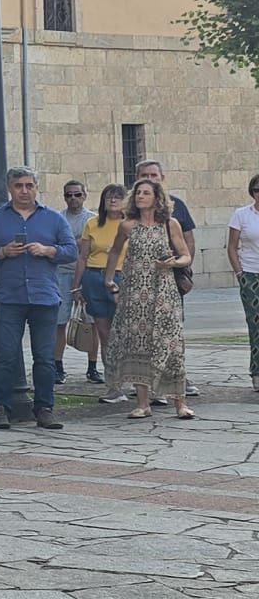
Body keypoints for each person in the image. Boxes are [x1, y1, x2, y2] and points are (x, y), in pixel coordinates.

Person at [0, 166, 76, 431]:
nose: (24, 191)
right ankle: (0, 407)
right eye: (19, 186)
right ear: (10, 188)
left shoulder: (53, 219)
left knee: (44, 357)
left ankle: (44, 408)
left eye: (29, 185)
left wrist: (48, 250)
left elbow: (71, 251)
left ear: (36, 187)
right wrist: (2, 252)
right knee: (5, 355)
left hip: (44, 296)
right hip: (10, 296)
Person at [107, 178, 191, 421]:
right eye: (138, 193)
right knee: (138, 344)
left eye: (146, 193)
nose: (140, 196)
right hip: (134, 294)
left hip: (163, 292)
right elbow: (114, 251)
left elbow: (185, 255)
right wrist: (109, 279)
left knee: (170, 344)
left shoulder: (169, 224)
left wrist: (173, 262)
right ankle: (142, 403)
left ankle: (180, 403)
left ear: (157, 198)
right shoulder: (127, 226)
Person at [136, 160, 200, 399]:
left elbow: (188, 240)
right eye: (145, 175)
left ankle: (175, 377)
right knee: (142, 333)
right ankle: (146, 382)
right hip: (139, 283)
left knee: (172, 331)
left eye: (154, 175)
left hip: (170, 279)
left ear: (162, 178)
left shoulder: (177, 206)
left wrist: (185, 269)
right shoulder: (132, 209)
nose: (150, 178)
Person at [75, 183, 129, 396]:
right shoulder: (93, 223)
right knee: (105, 334)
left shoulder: (130, 224)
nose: (112, 201)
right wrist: (76, 286)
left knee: (126, 333)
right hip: (94, 276)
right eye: (108, 197)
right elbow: (83, 256)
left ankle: (135, 380)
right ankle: (113, 384)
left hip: (121, 276)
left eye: (117, 197)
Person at [51, 181, 90, 371]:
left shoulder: (93, 219)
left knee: (90, 322)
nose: (73, 199)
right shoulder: (58, 218)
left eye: (77, 194)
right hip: (62, 272)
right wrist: (77, 242)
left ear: (85, 195)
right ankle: (58, 364)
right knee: (60, 320)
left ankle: (92, 366)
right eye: (69, 195)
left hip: (87, 273)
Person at [230, 174, 259, 393]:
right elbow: (232, 246)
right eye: (257, 189)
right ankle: (257, 372)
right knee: (255, 325)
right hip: (251, 274)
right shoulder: (242, 215)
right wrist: (240, 273)